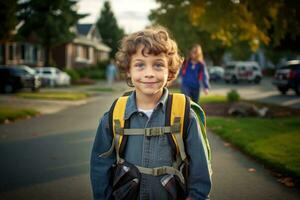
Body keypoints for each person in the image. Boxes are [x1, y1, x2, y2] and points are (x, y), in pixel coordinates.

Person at [90, 26, 211, 200]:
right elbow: (100, 166)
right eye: (140, 65)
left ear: (169, 71)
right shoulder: (113, 116)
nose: (149, 73)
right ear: (128, 71)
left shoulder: (185, 115)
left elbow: (200, 166)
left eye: (158, 65)